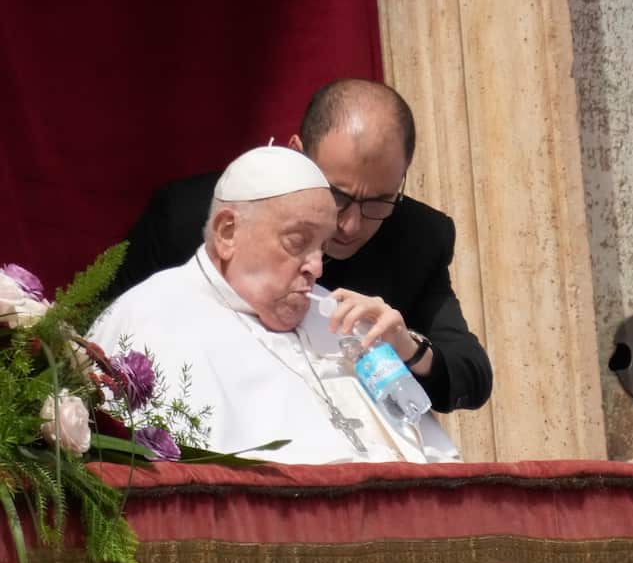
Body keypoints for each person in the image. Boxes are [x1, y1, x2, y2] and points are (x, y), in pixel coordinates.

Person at [108, 79, 492, 414]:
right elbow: (98, 338)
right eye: (336, 194)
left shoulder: (418, 237)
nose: (349, 225)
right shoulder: (189, 219)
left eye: (378, 201)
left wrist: (407, 346)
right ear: (296, 152)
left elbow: (470, 373)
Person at [90, 146, 459, 464]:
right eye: (297, 241)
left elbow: (438, 461)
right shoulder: (151, 321)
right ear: (228, 233)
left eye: (322, 246)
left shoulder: (338, 317)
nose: (316, 267)